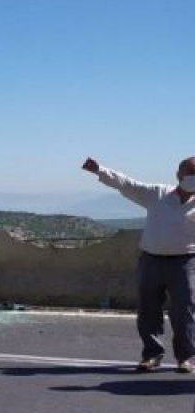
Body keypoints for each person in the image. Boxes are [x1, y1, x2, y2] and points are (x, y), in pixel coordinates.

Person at [83, 156, 195, 372]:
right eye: (190, 174)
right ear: (179, 175)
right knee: (148, 308)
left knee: (185, 310)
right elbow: (127, 184)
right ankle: (152, 355)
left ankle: (186, 358)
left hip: (186, 262)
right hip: (151, 259)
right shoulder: (158, 194)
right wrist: (100, 170)